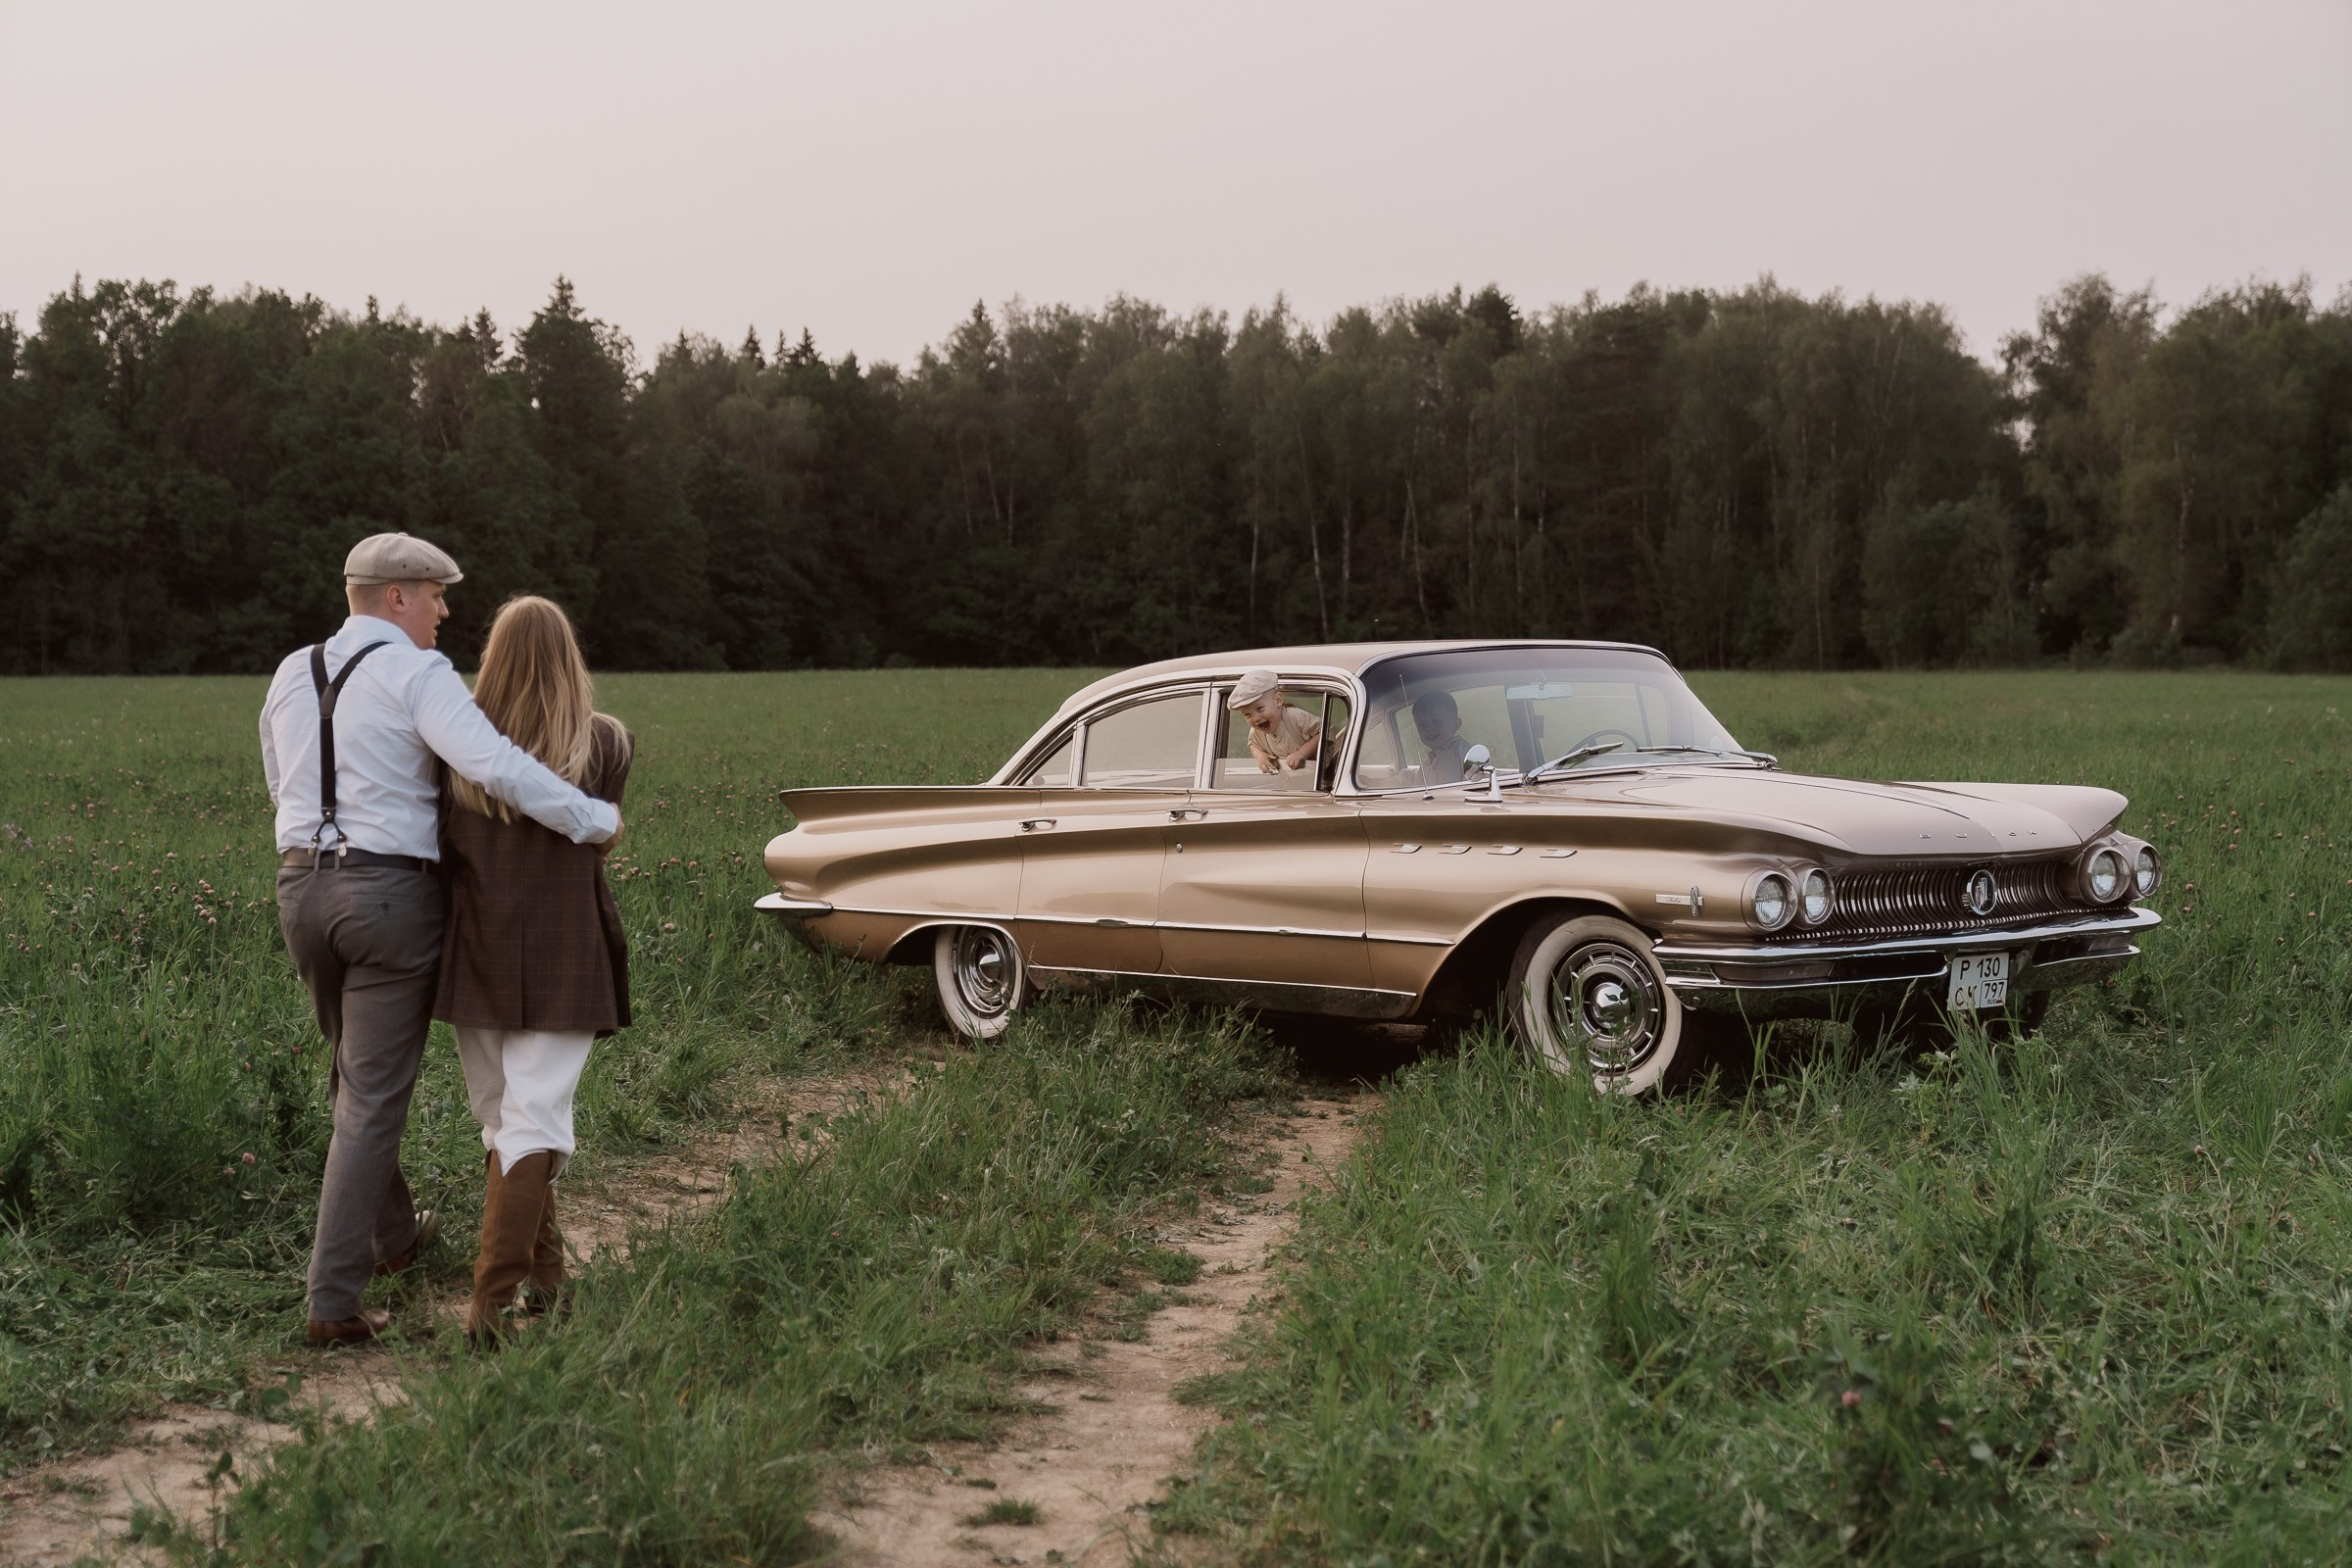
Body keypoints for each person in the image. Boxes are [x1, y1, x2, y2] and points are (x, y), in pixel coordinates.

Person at [261, 534, 622, 1348]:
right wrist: (595, 819)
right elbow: (492, 764)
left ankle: (394, 1238)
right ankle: (332, 1303)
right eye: (435, 595)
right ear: (396, 598)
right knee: (373, 1099)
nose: (446, 611)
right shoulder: (416, 673)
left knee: (354, 1076)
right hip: (387, 896)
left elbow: (280, 774)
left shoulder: (293, 670)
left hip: (300, 886)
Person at [432, 596, 633, 1346]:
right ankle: (491, 1309)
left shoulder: (451, 751)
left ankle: (546, 1282)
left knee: (507, 1125)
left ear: (493, 662)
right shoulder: (608, 746)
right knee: (531, 1124)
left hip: (475, 955)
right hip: (565, 957)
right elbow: (598, 837)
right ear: (571, 661)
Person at [1230, 669, 1321, 774]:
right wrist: (1260, 756)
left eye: (1259, 709)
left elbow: (1324, 733)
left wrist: (1301, 754)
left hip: (1317, 776)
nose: (1255, 719)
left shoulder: (1295, 717)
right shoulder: (1256, 732)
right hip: (1287, 778)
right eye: (1247, 714)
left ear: (1278, 700)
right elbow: (1252, 744)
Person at [1408, 690, 1472, 786]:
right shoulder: (1425, 767)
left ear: (1455, 724)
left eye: (1436, 722)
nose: (1429, 729)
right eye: (1422, 725)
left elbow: (1475, 784)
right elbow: (1418, 794)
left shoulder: (1462, 751)